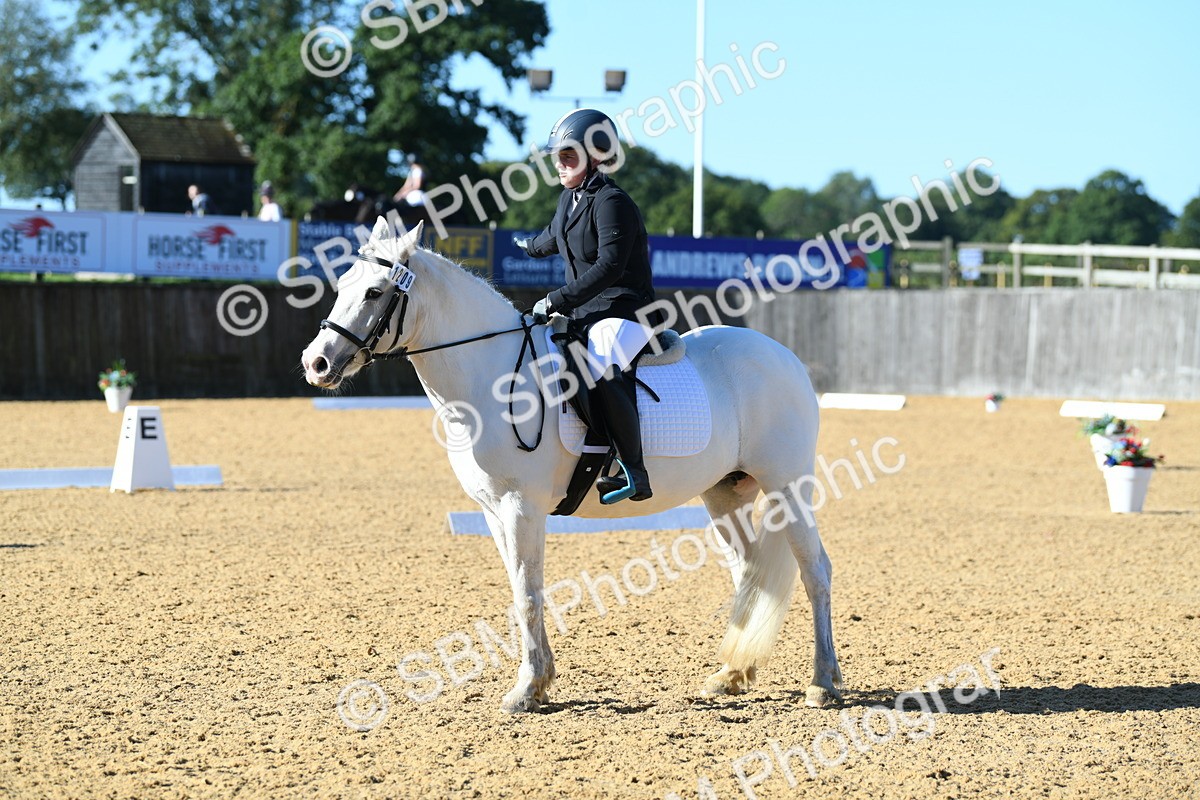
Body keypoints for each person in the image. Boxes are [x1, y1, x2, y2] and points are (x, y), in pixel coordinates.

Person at [514, 109, 659, 504]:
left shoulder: (613, 202)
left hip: (626, 310)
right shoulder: (568, 199)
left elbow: (609, 267)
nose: (559, 164)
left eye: (567, 156)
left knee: (603, 361)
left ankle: (634, 470)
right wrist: (528, 246)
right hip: (586, 313)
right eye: (557, 156)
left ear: (595, 156)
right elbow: (552, 236)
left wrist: (556, 299)